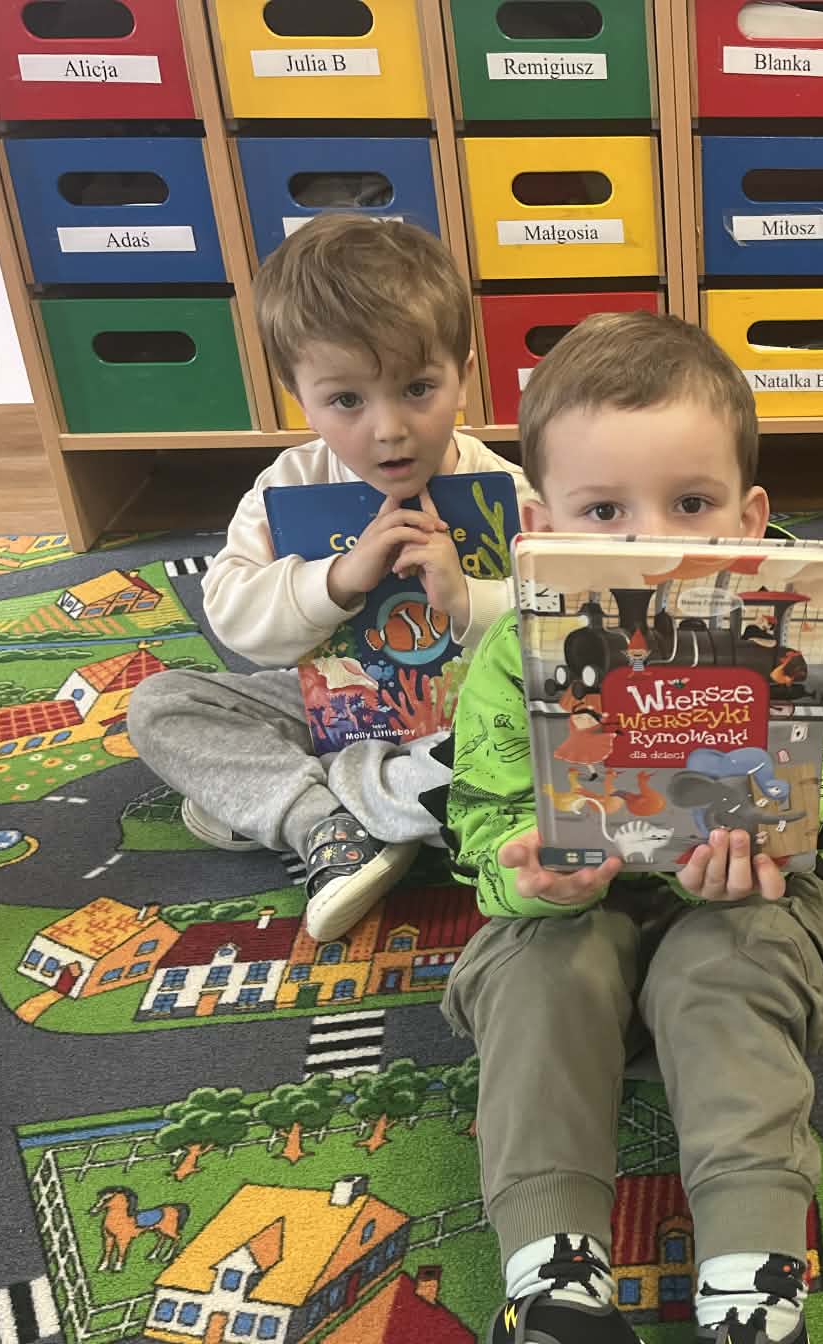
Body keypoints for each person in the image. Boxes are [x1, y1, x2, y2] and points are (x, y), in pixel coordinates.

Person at [399, 311, 823, 1344]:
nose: (649, 538)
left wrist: (749, 858)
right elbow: (482, 822)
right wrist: (527, 872)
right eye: (602, 512)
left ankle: (754, 1337)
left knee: (723, 969)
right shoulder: (512, 657)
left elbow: (800, 799)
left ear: (749, 519)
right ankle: (562, 1312)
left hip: (736, 917)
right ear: (539, 527)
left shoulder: (777, 627)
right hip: (579, 924)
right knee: (534, 961)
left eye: (690, 503)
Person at [128, 217, 530, 942]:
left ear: (464, 375)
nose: (389, 428)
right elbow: (235, 619)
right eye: (347, 400)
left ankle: (316, 810)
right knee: (161, 705)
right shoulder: (289, 487)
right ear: (298, 393)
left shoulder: (507, 491)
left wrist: (468, 600)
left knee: (560, 729)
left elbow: (565, 625)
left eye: (418, 388)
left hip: (470, 721)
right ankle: (343, 820)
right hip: (330, 712)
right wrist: (337, 580)